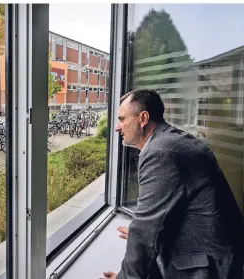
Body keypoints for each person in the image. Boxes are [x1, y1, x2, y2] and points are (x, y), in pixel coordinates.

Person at [101, 89, 244, 279]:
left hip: (211, 269)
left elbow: (145, 228)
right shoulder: (173, 139)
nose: (118, 128)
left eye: (122, 119)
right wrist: (147, 236)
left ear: (143, 118)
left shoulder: (160, 152)